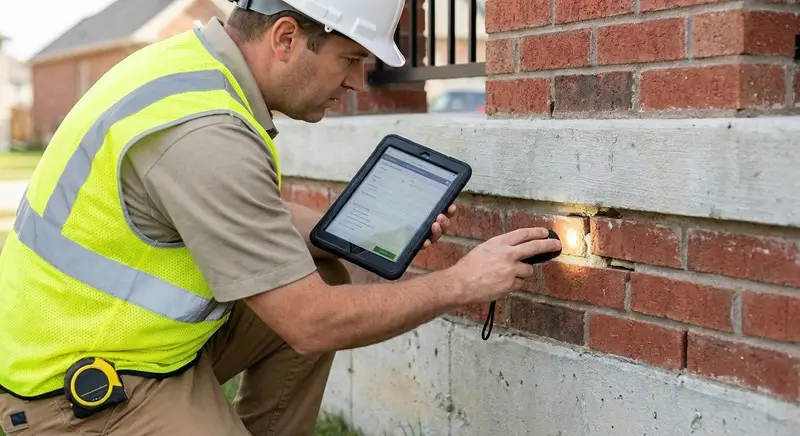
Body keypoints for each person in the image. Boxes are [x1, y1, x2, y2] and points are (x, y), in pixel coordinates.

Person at [0, 0, 562, 434]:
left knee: (327, 273)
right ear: (286, 37)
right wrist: (462, 283)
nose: (357, 82)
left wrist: (363, 232)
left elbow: (254, 215)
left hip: (136, 344)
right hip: (78, 387)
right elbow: (310, 322)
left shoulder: (188, 69)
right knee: (314, 304)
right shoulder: (205, 136)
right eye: (351, 59)